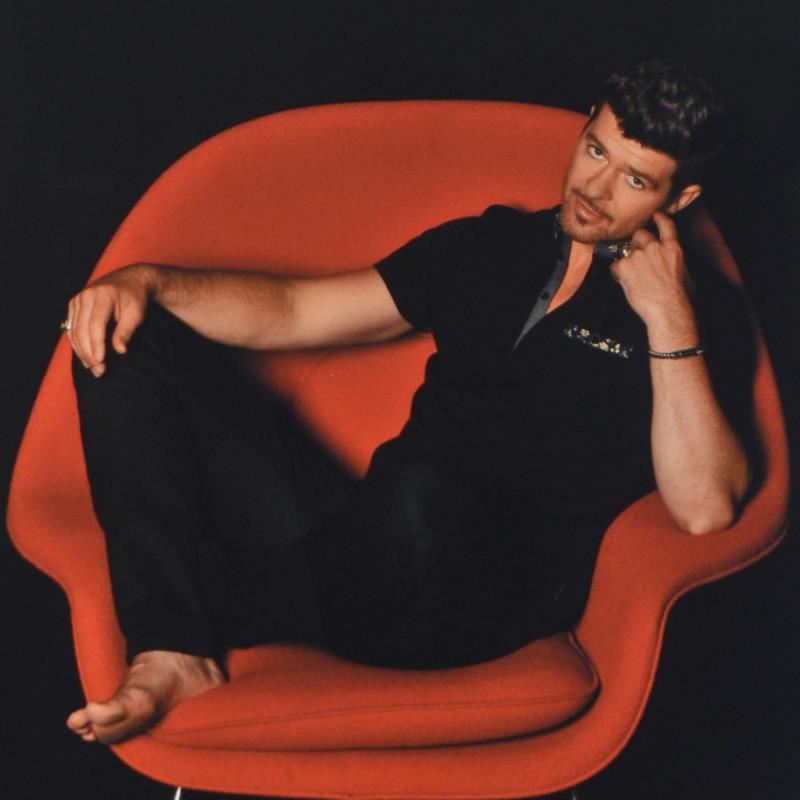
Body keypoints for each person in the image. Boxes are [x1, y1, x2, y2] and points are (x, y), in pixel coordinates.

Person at [64, 61, 754, 744]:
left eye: (635, 180)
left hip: (485, 596)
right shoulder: (489, 243)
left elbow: (705, 508)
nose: (596, 189)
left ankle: (234, 593)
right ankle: (173, 647)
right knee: (130, 333)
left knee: (426, 492)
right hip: (367, 543)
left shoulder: (697, 315)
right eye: (596, 151)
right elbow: (295, 309)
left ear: (681, 198)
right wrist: (146, 282)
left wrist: (668, 319)